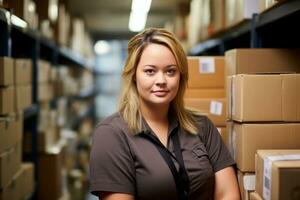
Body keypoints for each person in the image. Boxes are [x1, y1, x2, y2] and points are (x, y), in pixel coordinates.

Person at [89, 28, 240, 200]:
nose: (161, 81)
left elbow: (228, 194)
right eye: (150, 71)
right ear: (134, 76)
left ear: (180, 77)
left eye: (170, 71)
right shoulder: (111, 134)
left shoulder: (202, 126)